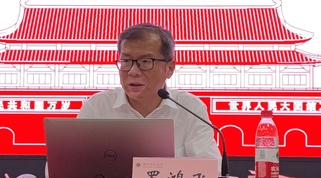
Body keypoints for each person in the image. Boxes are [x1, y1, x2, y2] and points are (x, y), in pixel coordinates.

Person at [78, 23, 222, 170]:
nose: (133, 71)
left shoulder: (190, 108)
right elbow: (75, 166)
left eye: (145, 62)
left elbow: (212, 171)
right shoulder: (97, 107)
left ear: (170, 68)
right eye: (126, 61)